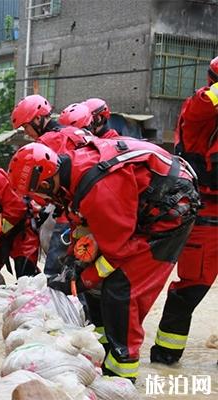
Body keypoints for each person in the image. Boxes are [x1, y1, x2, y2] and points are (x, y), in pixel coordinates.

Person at [7, 140, 199, 381]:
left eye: (37, 194)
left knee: (121, 288)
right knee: (97, 285)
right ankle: (102, 347)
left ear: (45, 183)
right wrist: (74, 264)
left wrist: (82, 280)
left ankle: (121, 373)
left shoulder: (98, 187)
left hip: (169, 214)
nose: (40, 201)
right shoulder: (71, 172)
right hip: (141, 204)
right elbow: (84, 219)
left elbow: (116, 252)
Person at [150, 55, 218, 365]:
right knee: (190, 289)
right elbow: (204, 103)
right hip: (206, 217)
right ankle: (166, 359)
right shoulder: (198, 109)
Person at [11, 96, 94, 275]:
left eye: (26, 126)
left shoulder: (47, 143)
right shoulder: (75, 132)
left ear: (38, 119)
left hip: (71, 213)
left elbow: (43, 186)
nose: (27, 133)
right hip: (95, 209)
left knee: (54, 274)